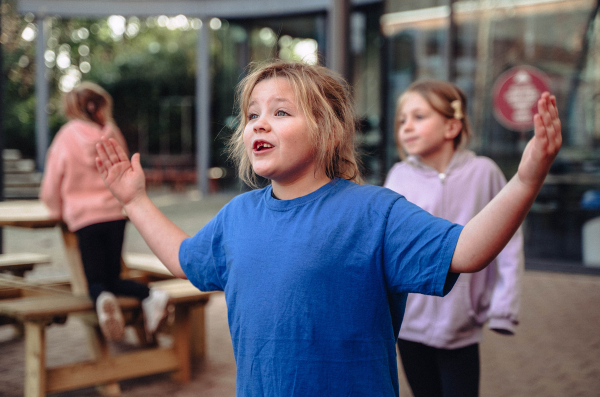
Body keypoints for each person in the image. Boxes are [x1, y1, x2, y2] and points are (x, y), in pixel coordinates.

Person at [95, 60, 560, 396]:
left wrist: (525, 180)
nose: (260, 122)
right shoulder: (237, 217)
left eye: (280, 112)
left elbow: (468, 251)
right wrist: (135, 202)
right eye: (252, 113)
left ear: (327, 129)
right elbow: (182, 258)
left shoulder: (373, 212)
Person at [384, 79, 524, 397]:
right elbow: (388, 247)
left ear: (451, 127)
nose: (406, 126)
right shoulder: (398, 176)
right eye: (402, 119)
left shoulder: (484, 172)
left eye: (419, 117)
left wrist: (503, 307)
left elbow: (509, 242)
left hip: (461, 324)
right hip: (410, 326)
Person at [40, 81, 170, 342]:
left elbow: (52, 180)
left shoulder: (67, 136)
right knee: (113, 275)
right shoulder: (112, 133)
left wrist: (56, 210)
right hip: (115, 215)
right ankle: (150, 296)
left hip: (84, 218)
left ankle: (103, 299)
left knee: (94, 281)